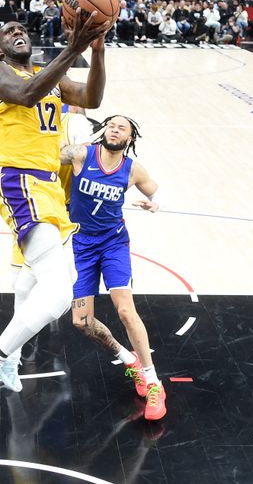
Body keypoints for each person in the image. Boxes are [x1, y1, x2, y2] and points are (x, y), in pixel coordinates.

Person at [0, 10, 109, 424]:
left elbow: (92, 99)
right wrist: (74, 46)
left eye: (22, 28)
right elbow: (25, 95)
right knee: (61, 294)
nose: (18, 32)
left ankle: (12, 360)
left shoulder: (49, 74)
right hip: (21, 183)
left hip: (49, 189)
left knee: (30, 282)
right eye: (9, 31)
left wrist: (96, 52)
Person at [59, 115, 167, 420]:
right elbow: (44, 159)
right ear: (103, 130)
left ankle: (154, 381)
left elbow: (155, 191)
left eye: (123, 127)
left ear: (130, 139)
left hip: (113, 244)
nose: (116, 129)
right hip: (80, 245)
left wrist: (155, 203)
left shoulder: (132, 170)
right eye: (112, 125)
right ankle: (126, 357)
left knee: (124, 310)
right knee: (81, 322)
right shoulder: (80, 154)